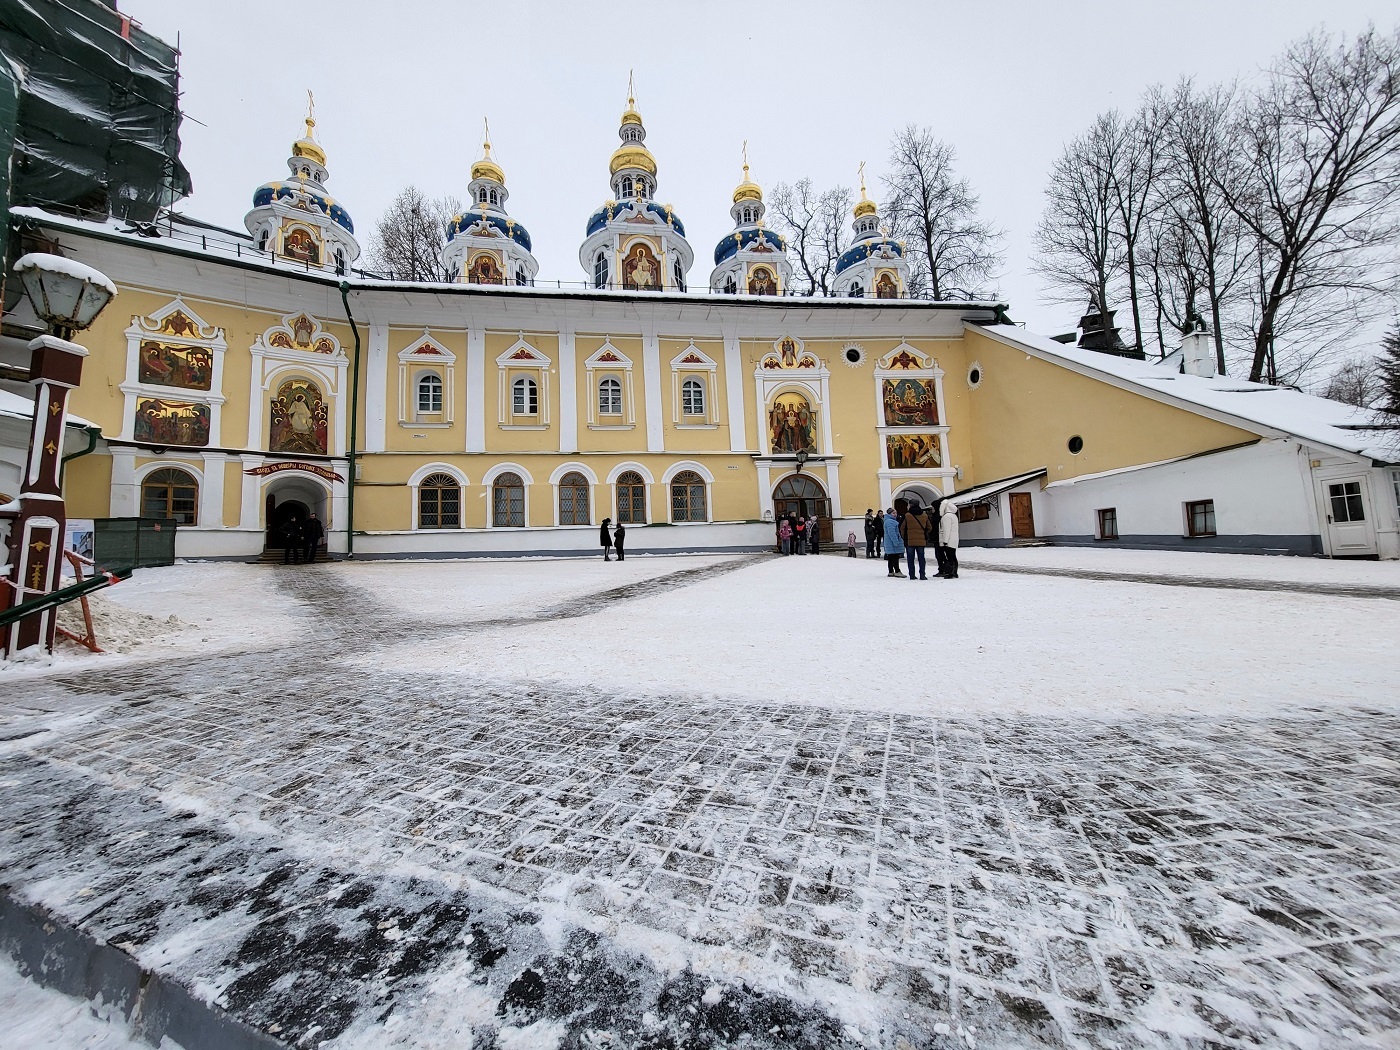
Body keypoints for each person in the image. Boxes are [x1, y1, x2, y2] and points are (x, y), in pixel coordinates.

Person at [899, 500, 935, 581]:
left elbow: (902, 527)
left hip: (909, 541)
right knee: (921, 558)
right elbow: (929, 527)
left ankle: (912, 575)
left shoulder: (907, 515)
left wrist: (904, 537)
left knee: (910, 559)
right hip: (921, 540)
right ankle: (922, 575)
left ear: (911, 505)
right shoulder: (924, 515)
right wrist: (924, 533)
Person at [939, 497, 960, 579]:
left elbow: (946, 530)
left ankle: (950, 572)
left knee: (949, 557)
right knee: (953, 556)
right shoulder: (954, 516)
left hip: (948, 540)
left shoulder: (946, 517)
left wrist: (945, 541)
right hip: (953, 540)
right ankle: (955, 572)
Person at [882, 507, 905, 577]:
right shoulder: (890, 521)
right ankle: (897, 571)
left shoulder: (888, 520)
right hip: (892, 543)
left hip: (890, 542)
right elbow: (892, 533)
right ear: (889, 514)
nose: (895, 514)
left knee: (891, 557)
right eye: (893, 513)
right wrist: (896, 542)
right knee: (895, 557)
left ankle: (891, 571)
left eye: (896, 513)